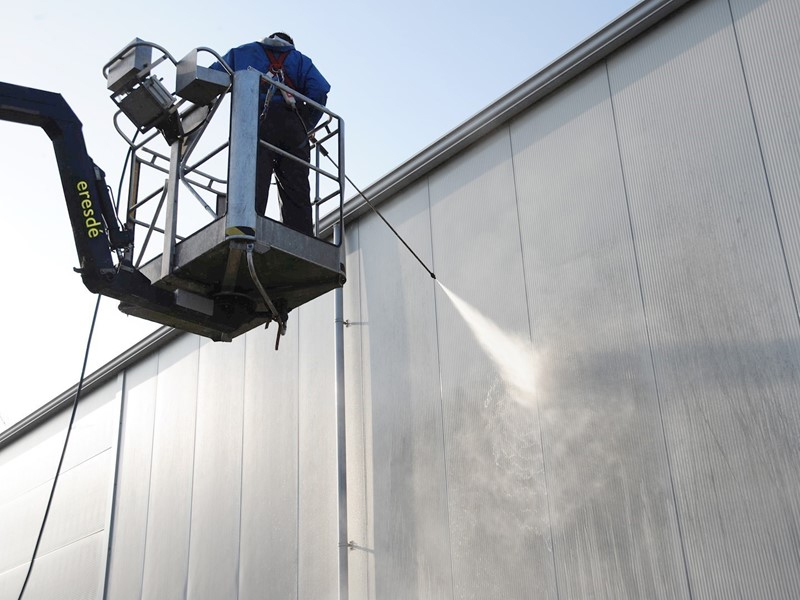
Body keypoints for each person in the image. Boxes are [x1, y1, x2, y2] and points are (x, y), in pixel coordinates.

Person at [211, 33, 330, 236]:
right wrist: (307, 124)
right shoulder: (300, 60)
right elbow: (319, 90)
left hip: (255, 122)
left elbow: (211, 76)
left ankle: (246, 225)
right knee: (295, 184)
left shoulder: (242, 53)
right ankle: (299, 235)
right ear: (290, 45)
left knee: (253, 175)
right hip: (292, 125)